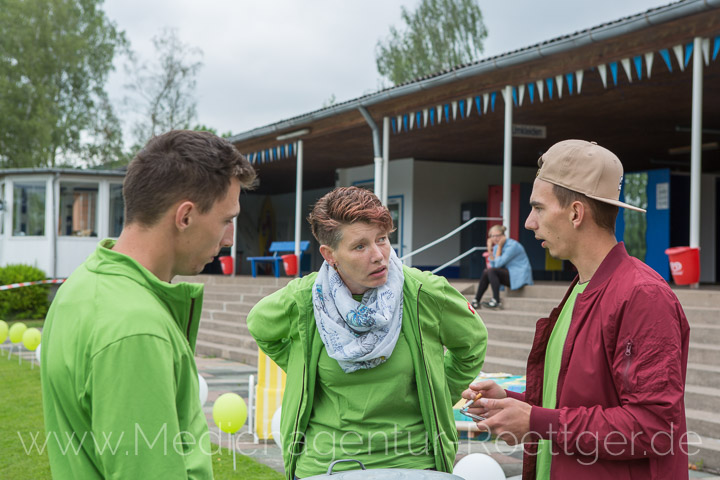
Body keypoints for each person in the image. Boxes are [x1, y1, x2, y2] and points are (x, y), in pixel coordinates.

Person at [462, 140, 690, 479]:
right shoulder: (582, 287)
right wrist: (512, 402)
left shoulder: (642, 296)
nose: (528, 222)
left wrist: (535, 420)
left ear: (575, 213)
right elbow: (575, 401)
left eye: (538, 208)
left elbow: (652, 425)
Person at [40, 130, 256, 479]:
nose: (230, 238)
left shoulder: (80, 286)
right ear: (184, 216)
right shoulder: (136, 328)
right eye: (226, 220)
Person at [247, 186, 488, 480]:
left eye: (382, 239)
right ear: (329, 254)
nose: (378, 256)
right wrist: (301, 367)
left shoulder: (423, 292)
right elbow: (260, 326)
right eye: (360, 246)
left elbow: (472, 343)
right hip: (325, 466)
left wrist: (439, 390)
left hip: (412, 464)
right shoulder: (306, 299)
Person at [472, 224, 533, 309]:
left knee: (490, 271)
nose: (495, 238)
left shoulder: (512, 245)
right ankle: (476, 301)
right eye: (492, 236)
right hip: (511, 275)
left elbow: (497, 265)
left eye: (498, 235)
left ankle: (496, 300)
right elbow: (492, 266)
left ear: (504, 235)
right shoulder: (497, 247)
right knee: (487, 271)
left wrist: (499, 247)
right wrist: (490, 249)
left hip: (519, 275)